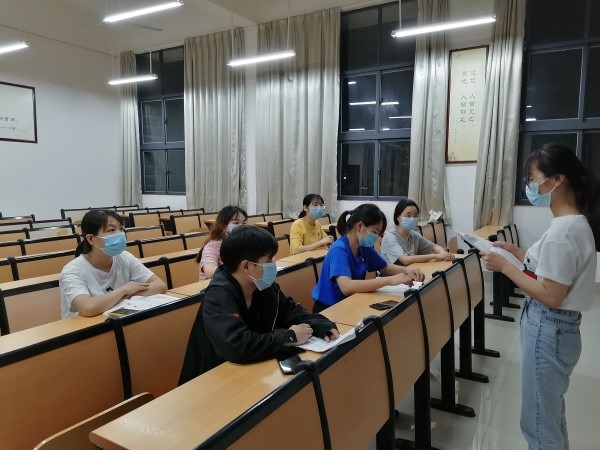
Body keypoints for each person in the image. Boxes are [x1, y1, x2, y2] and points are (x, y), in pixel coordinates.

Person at [480, 143, 600, 450]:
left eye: (533, 178)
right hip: (557, 328)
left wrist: (506, 267)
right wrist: (516, 253)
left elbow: (551, 294)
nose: (530, 186)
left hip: (549, 327)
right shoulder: (569, 224)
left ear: (557, 180)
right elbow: (548, 269)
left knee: (538, 423)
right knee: (549, 415)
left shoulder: (565, 230)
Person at [179, 225, 339, 382]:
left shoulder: (263, 287)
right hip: (212, 378)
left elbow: (293, 312)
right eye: (268, 260)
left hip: (250, 370)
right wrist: (289, 336)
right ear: (246, 266)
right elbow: (237, 345)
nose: (274, 263)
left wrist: (323, 326)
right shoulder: (218, 296)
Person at [310, 203, 425, 313]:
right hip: (329, 309)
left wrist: (407, 271)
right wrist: (389, 281)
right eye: (375, 232)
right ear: (360, 226)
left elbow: (385, 268)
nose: (376, 237)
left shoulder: (363, 247)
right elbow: (346, 287)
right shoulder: (339, 249)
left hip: (351, 302)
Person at [60, 209, 167, 318]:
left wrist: (125, 296)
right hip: (86, 327)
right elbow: (88, 308)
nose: (119, 234)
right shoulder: (72, 270)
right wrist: (123, 290)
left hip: (117, 321)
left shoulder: (125, 257)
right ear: (91, 239)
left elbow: (160, 285)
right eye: (111, 230)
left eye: (121, 229)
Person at [380, 198, 455, 266]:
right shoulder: (390, 237)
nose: (412, 219)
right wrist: (435, 256)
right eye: (408, 216)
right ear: (398, 217)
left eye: (415, 216)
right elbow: (405, 260)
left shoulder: (412, 234)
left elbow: (434, 247)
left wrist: (443, 254)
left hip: (410, 271)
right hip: (393, 275)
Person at [197, 206, 248, 280]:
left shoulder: (241, 242)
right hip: (214, 284)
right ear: (223, 225)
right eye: (236, 223)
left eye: (244, 223)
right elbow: (209, 272)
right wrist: (237, 271)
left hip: (233, 281)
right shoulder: (213, 245)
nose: (241, 226)